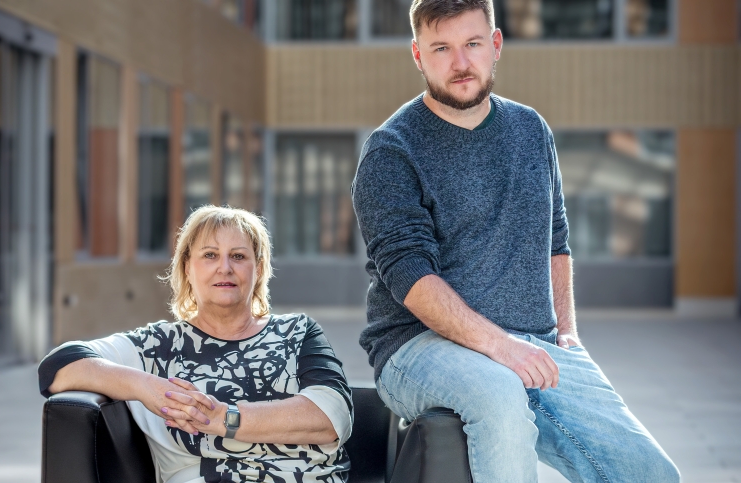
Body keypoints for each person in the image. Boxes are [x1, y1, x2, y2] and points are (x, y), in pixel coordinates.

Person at [350, 1, 680, 482]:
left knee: (650, 472)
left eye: (472, 44)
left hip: (532, 342)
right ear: (418, 55)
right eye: (441, 48)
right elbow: (411, 277)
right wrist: (503, 349)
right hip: (417, 347)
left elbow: (556, 241)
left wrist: (566, 332)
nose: (460, 62)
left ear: (496, 44)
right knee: (500, 395)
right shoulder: (391, 151)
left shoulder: (530, 130)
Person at [38, 205, 352, 483]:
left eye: (238, 256)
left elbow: (331, 416)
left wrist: (223, 418)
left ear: (258, 269)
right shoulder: (158, 346)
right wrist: (146, 387)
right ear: (188, 267)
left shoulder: (297, 332)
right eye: (210, 255)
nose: (225, 267)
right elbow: (58, 366)